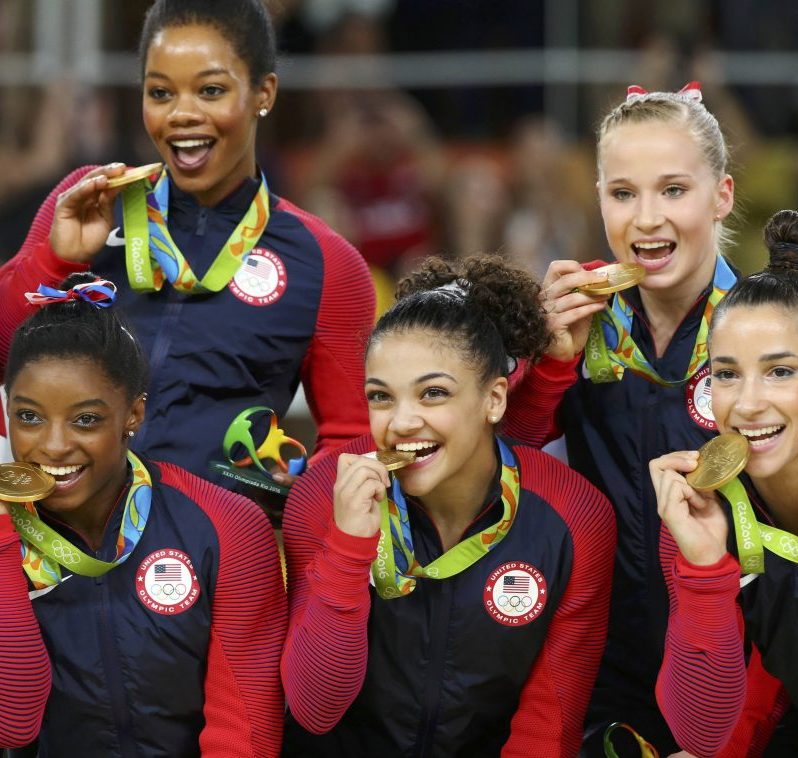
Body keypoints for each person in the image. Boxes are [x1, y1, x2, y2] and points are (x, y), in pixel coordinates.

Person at [0, 0, 375, 488]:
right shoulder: (91, 201)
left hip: (216, 534)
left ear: (263, 92)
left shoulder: (325, 262)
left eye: (210, 90)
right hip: (66, 529)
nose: (181, 114)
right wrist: (55, 260)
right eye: (160, 93)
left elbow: (351, 444)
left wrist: (290, 506)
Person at [280, 255, 615, 756]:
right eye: (380, 397)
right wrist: (348, 550)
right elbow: (314, 708)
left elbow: (548, 724)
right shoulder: (327, 492)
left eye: (433, 393)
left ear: (494, 399)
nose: (402, 422)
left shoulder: (574, 515)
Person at [501, 82, 742, 754]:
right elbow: (511, 459)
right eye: (623, 193)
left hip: (736, 653)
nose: (646, 219)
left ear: (721, 195)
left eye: (674, 190)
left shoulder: (767, 327)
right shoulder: (584, 318)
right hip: (602, 659)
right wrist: (550, 361)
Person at [0, 273, 287, 756]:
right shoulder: (5, 534)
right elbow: (11, 724)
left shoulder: (225, 526)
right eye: (29, 417)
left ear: (133, 415)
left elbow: (244, 730)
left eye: (86, 419)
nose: (53, 445)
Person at [651, 209, 798, 756]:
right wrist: (703, 567)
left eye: (780, 372)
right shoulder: (701, 510)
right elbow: (704, 733)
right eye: (727, 374)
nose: (747, 404)